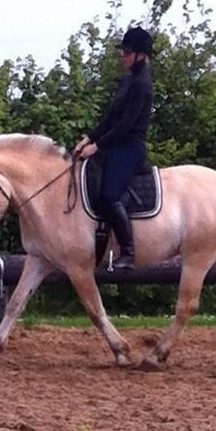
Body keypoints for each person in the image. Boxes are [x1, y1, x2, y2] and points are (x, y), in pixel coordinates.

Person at [74, 26, 153, 269]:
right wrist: (88, 138)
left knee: (109, 195)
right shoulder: (127, 81)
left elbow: (127, 125)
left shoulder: (142, 84)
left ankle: (128, 251)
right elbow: (110, 119)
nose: (123, 56)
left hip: (130, 147)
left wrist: (97, 146)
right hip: (115, 144)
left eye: (127, 52)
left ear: (140, 54)